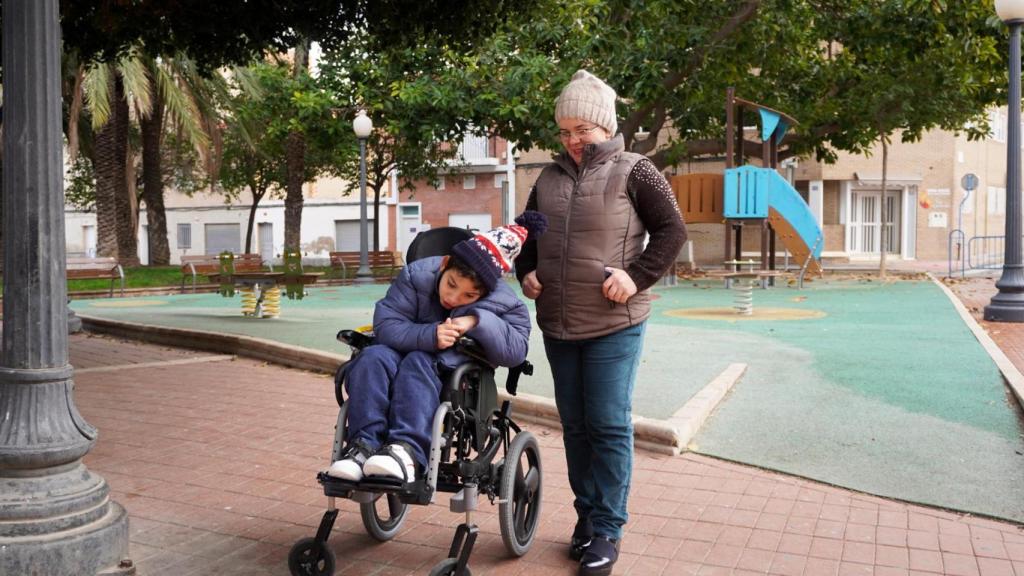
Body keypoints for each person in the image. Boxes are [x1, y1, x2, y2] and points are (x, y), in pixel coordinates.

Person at [515, 70, 687, 576]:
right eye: (564, 131)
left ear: (605, 127)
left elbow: (672, 231)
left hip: (615, 323)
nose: (572, 140)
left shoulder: (637, 170)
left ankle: (608, 529)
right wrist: (526, 272)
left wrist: (636, 277)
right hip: (558, 324)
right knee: (575, 427)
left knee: (608, 425)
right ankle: (587, 518)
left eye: (582, 130)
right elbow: (526, 235)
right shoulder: (546, 179)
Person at [327, 212, 547, 483]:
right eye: (451, 284)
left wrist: (475, 320)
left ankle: (406, 451)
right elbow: (386, 324)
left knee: (418, 361)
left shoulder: (504, 301)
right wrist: (430, 334)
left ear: (486, 292)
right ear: (444, 264)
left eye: (468, 295)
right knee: (371, 357)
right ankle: (362, 447)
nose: (453, 298)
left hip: (449, 369)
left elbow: (516, 351)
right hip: (401, 351)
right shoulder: (416, 275)